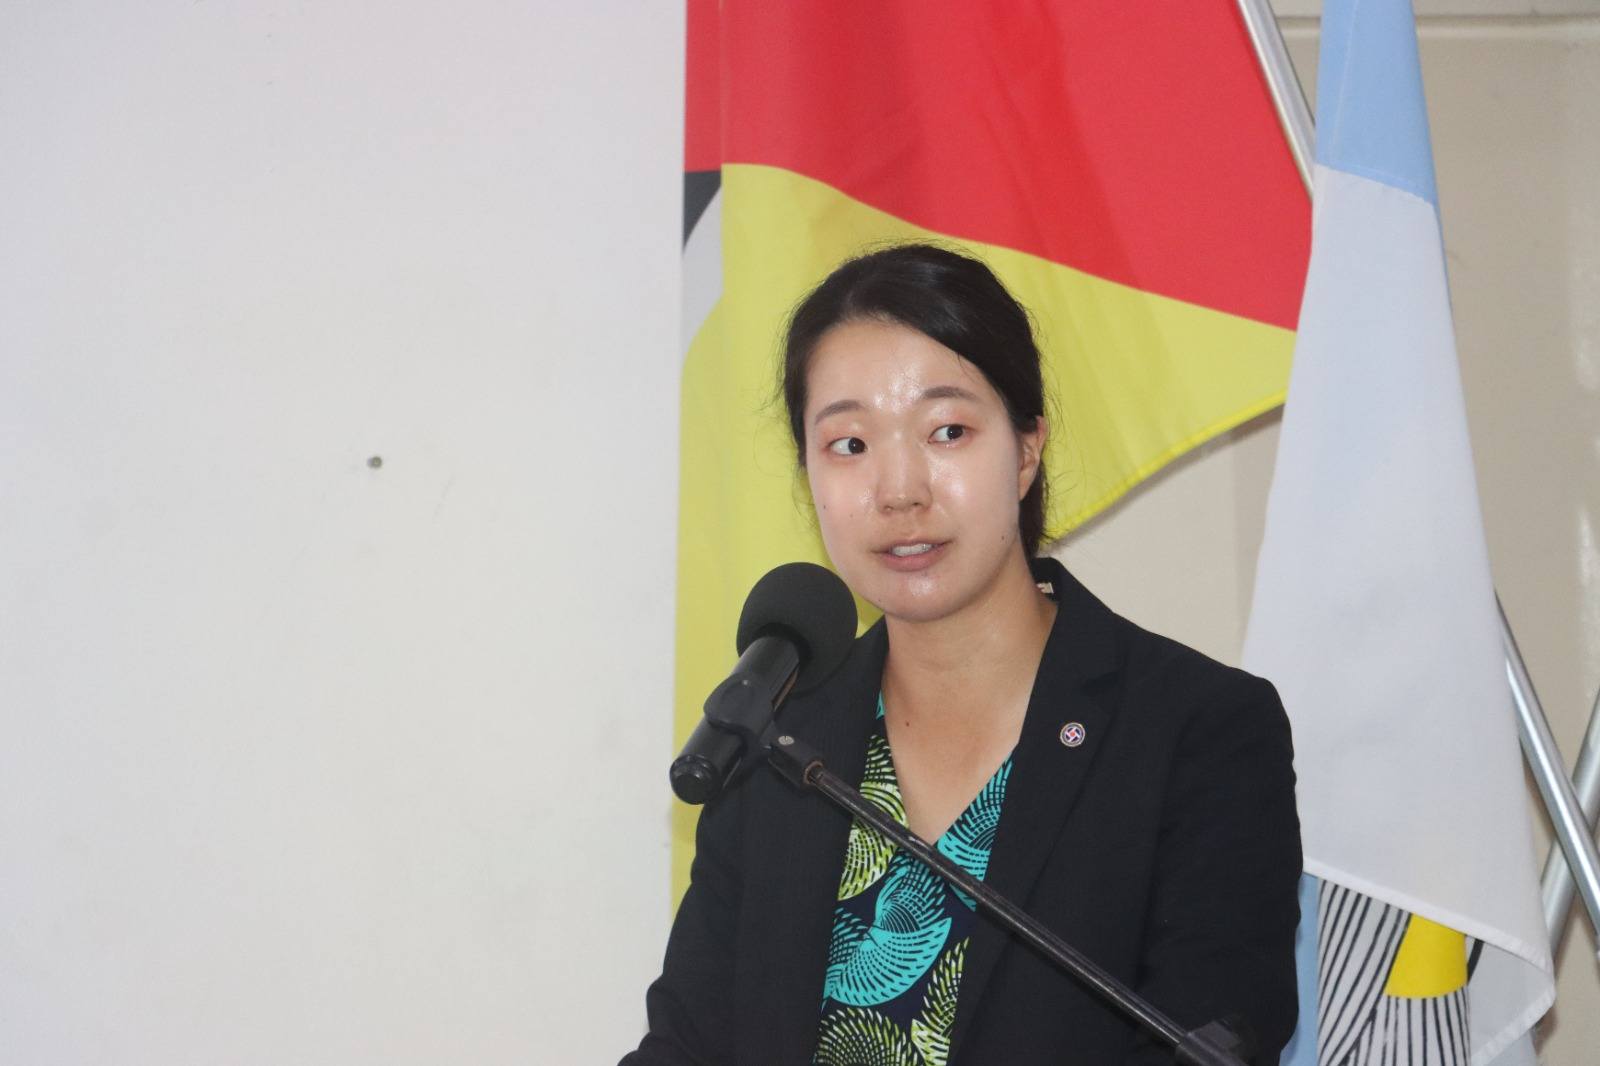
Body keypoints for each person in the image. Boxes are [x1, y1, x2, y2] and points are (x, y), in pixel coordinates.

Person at [622, 244, 1301, 1065]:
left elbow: (1217, 1040)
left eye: (947, 431)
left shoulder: (1195, 732)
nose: (899, 490)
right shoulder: (776, 745)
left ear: (1026, 449)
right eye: (849, 444)